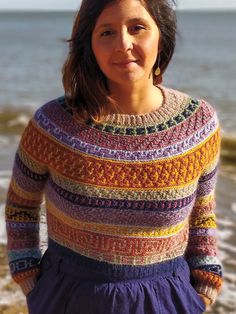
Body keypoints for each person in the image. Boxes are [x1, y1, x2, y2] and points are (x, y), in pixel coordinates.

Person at [5, 0, 223, 313]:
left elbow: (203, 212)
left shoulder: (198, 124)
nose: (123, 43)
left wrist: (204, 285)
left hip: (167, 298)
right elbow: (21, 206)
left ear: (161, 36)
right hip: (68, 296)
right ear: (89, 46)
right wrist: (30, 279)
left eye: (137, 27)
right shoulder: (53, 124)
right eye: (106, 32)